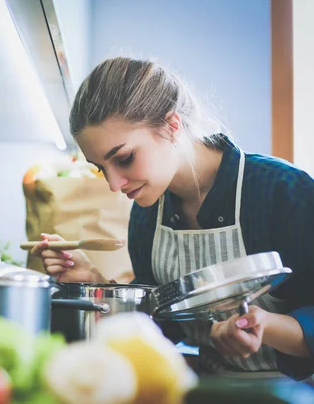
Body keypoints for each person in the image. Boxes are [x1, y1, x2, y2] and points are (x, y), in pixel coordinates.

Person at [30, 57, 314, 380]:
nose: (113, 184)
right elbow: (159, 325)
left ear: (171, 126)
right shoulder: (147, 216)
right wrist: (96, 283)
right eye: (100, 168)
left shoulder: (282, 192)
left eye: (124, 158)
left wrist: (265, 325)